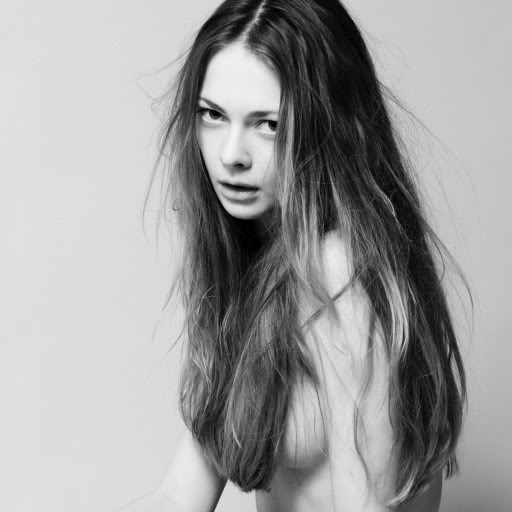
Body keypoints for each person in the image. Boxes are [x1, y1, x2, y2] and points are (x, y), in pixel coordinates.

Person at [119, 0, 471, 510]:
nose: (231, 154)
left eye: (268, 124)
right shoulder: (254, 263)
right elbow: (180, 495)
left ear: (329, 127)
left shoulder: (339, 272)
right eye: (213, 115)